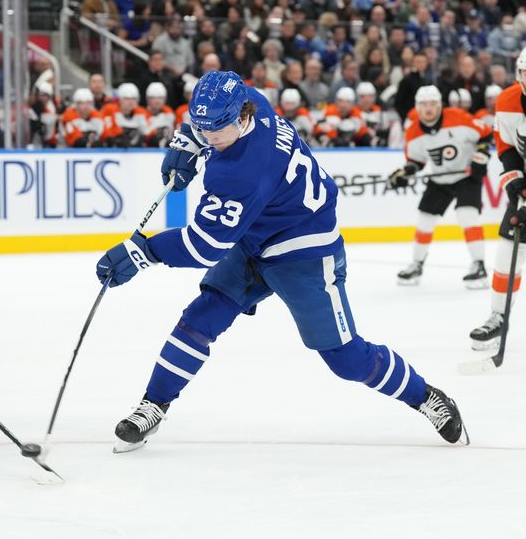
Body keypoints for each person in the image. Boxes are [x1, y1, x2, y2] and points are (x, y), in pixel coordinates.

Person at [95, 70, 468, 453]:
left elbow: (204, 246)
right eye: (202, 127)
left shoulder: (239, 173)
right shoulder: (251, 101)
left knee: (346, 358)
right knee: (200, 319)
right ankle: (154, 404)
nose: (209, 138)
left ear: (241, 117)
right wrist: (187, 139)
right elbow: (204, 129)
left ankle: (425, 396)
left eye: (215, 130)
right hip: (255, 235)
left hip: (304, 252)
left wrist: (143, 251)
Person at [387, 85, 492, 289]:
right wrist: (405, 173)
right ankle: (417, 265)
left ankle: (479, 265)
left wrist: (481, 157)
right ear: (417, 107)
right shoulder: (413, 132)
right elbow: (416, 162)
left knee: (467, 214)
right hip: (440, 179)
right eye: (424, 104)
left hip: (466, 175)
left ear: (440, 105)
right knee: (425, 220)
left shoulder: (460, 118)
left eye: (433, 104)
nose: (429, 108)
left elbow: (486, 135)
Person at [469, 48, 526, 351]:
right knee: (507, 251)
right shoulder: (507, 101)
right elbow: (506, 148)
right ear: (519, 75)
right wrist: (516, 180)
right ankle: (498, 316)